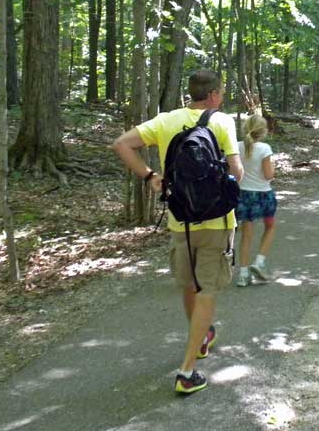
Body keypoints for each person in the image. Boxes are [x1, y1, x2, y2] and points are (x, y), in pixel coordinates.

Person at [112, 70, 243, 395]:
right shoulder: (222, 121)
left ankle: (200, 337)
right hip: (217, 222)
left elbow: (121, 144)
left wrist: (150, 176)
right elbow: (237, 171)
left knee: (189, 285)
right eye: (221, 92)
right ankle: (187, 371)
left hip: (180, 219)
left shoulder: (166, 121)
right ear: (213, 94)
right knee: (208, 290)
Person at [234, 114, 277, 287]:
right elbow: (268, 175)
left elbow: (233, 173)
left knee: (246, 235)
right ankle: (259, 262)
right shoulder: (265, 149)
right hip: (264, 196)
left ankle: (243, 275)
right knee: (270, 226)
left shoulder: (237, 147)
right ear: (264, 131)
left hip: (244, 195)